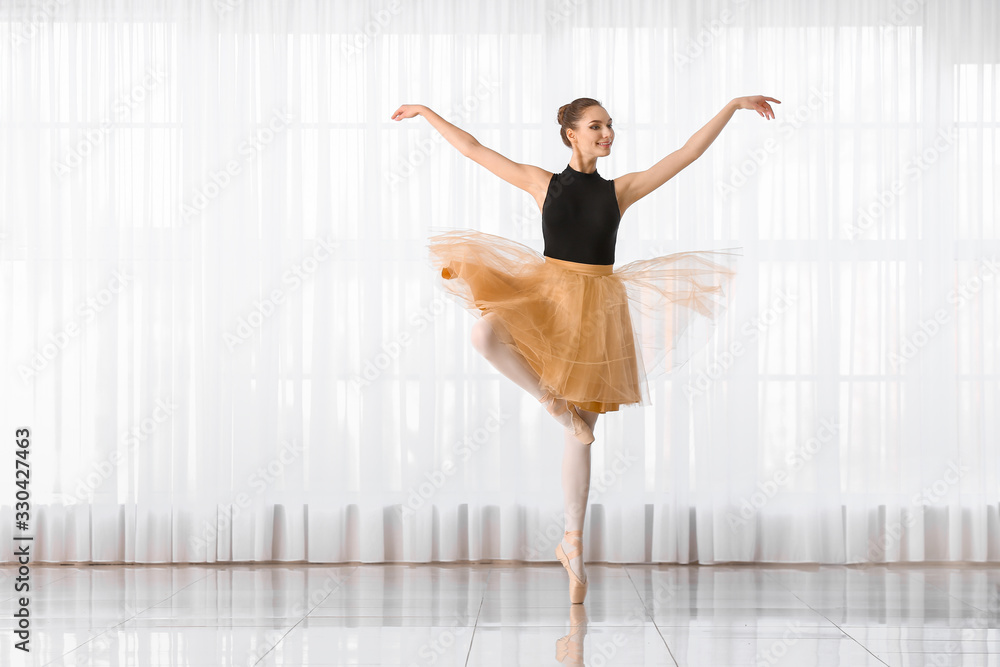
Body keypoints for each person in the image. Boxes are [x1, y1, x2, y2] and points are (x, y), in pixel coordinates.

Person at [390, 95, 779, 604]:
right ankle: (548, 400)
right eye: (597, 126)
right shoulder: (541, 183)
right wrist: (424, 111)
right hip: (548, 296)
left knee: (584, 432)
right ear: (571, 134)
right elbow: (472, 148)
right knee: (485, 333)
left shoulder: (621, 190)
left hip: (597, 310)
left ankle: (572, 542)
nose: (608, 133)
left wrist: (731, 107)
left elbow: (685, 154)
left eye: (611, 126)